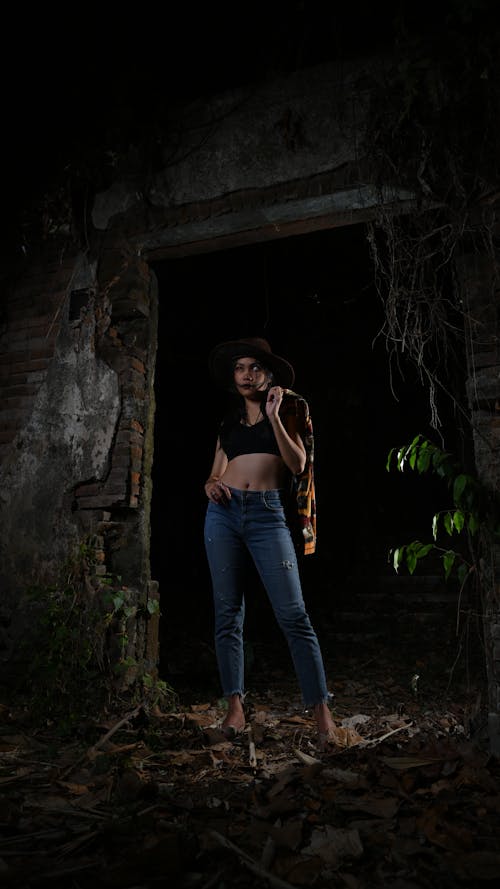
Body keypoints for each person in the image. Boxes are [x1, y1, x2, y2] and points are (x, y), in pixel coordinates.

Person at [203, 336, 337, 747]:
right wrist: (210, 484)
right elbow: (214, 472)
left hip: (267, 517)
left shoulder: (290, 411)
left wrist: (275, 416)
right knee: (228, 616)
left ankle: (323, 715)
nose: (247, 374)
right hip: (222, 516)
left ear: (269, 376)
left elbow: (297, 465)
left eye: (255, 368)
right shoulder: (228, 423)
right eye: (240, 368)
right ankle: (235, 708)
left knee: (294, 615)